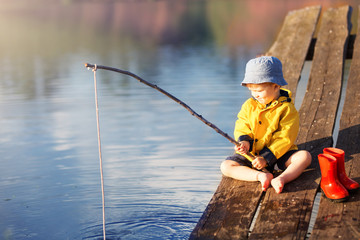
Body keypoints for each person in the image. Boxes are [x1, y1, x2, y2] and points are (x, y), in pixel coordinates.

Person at [220, 56, 312, 194]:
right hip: (252, 153)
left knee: (304, 157)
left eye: (259, 91)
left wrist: (266, 158)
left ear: (275, 86)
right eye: (252, 90)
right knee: (226, 166)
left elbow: (285, 136)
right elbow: (242, 124)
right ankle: (260, 176)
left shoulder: (286, 108)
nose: (255, 95)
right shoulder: (249, 105)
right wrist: (244, 141)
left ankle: (282, 178)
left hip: (278, 152)